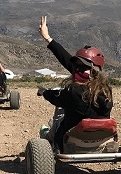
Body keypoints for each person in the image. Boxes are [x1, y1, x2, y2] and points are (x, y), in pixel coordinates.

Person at [37, 15, 113, 152]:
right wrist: (48, 38)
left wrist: (44, 92)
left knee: (58, 122)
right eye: (76, 66)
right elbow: (66, 59)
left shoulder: (72, 92)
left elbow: (57, 98)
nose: (76, 69)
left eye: (81, 67)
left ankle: (47, 137)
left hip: (71, 140)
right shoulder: (106, 90)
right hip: (101, 138)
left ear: (91, 71)